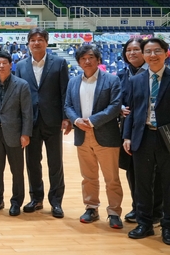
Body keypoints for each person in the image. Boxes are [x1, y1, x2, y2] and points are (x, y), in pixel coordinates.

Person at [123, 38, 170, 246]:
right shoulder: (136, 79)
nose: (152, 55)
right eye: (148, 52)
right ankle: (144, 224)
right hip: (143, 136)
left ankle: (168, 227)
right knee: (142, 184)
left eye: (157, 51)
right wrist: (127, 136)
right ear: (144, 55)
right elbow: (132, 111)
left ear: (166, 53)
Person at [64, 45, 124, 229]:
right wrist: (75, 120)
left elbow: (115, 107)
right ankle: (91, 207)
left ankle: (114, 212)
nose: (87, 61)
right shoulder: (73, 82)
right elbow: (67, 105)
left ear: (98, 60)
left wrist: (91, 121)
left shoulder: (111, 80)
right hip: (82, 136)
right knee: (88, 176)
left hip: (105, 136)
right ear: (79, 62)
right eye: (83, 58)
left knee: (111, 178)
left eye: (90, 57)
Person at [14, 27, 71, 218]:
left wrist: (66, 117)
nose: (36, 43)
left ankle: (56, 202)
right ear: (28, 43)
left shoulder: (60, 63)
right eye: (33, 40)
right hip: (30, 121)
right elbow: (19, 96)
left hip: (53, 120)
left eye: (40, 39)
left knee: (55, 163)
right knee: (32, 162)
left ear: (46, 42)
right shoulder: (21, 66)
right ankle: (36, 198)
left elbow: (65, 92)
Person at [116, 38, 161, 224]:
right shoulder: (121, 75)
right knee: (133, 171)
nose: (132, 53)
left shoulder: (156, 73)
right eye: (129, 50)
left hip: (152, 130)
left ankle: (157, 211)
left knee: (155, 172)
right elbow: (115, 98)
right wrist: (118, 108)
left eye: (136, 49)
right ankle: (138, 207)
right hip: (129, 130)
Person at [0, 51, 33, 216]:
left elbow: (27, 112)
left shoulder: (21, 85)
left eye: (5, 63)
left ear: (11, 65)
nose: (1, 66)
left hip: (15, 133)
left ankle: (16, 202)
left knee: (17, 170)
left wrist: (26, 134)